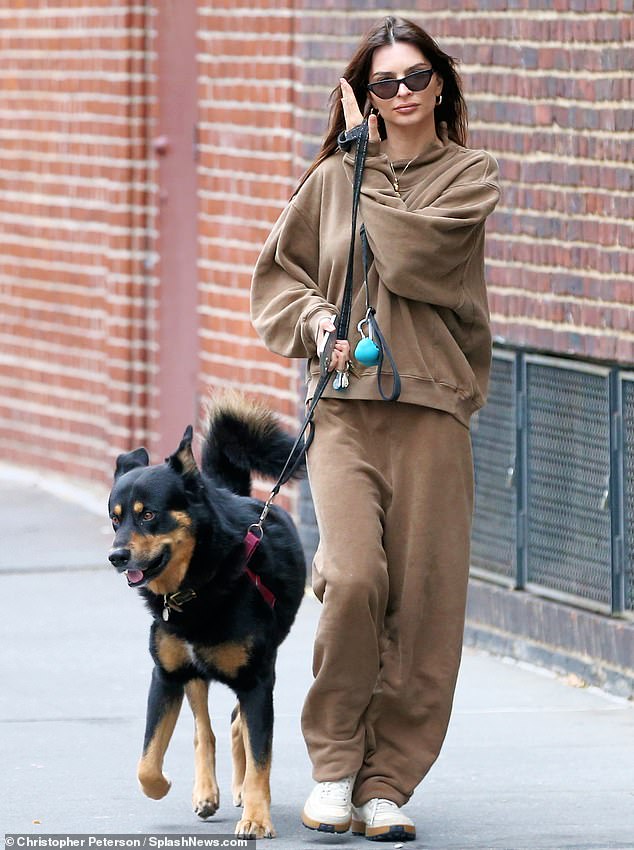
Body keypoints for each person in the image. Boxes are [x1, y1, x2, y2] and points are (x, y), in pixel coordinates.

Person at [250, 15, 500, 842]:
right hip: (347, 411)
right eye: (383, 83)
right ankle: (332, 768)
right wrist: (317, 317)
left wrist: (364, 166)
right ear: (365, 92)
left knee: (424, 607)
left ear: (440, 85)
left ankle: (386, 784)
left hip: (431, 412)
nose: (401, 95)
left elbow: (406, 257)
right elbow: (277, 276)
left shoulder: (469, 177)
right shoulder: (330, 179)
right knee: (355, 578)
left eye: (415, 79)